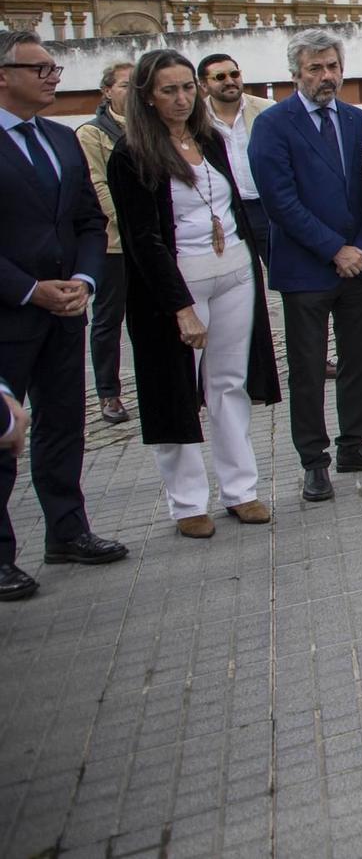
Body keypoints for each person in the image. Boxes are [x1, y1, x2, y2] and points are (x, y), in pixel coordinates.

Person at [107, 50, 281, 538]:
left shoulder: (207, 138)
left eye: (187, 87)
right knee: (175, 389)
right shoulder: (132, 154)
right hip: (176, 283)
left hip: (233, 272)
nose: (182, 98)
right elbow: (143, 238)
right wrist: (180, 307)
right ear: (147, 96)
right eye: (169, 90)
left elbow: (233, 206)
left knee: (228, 383)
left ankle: (240, 489)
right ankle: (186, 502)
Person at [0, 30, 127, 600]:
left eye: (55, 67)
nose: (54, 76)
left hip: (66, 307)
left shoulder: (59, 137)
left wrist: (82, 279)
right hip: (10, 310)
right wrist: (30, 290)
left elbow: (87, 220)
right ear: (4, 75)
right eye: (42, 68)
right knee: (4, 430)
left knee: (63, 422)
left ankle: (67, 529)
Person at [249, 30, 362, 504]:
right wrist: (334, 249)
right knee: (309, 368)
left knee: (361, 359)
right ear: (296, 73)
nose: (326, 76)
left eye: (333, 66)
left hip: (360, 265)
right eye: (315, 68)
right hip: (307, 269)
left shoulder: (360, 121)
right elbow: (280, 201)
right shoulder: (274, 125)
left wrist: (358, 247)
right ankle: (313, 461)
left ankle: (353, 444)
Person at [77, 61, 133, 423]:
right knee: (109, 320)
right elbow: (98, 186)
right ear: (108, 91)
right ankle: (109, 393)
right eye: (126, 85)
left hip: (156, 242)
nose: (133, 91)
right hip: (117, 243)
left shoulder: (153, 126)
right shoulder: (93, 133)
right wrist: (133, 225)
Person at [198, 53, 275, 261]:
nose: (230, 81)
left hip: (265, 207)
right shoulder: (195, 119)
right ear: (204, 85)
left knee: (282, 272)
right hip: (224, 211)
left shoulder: (267, 110)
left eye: (234, 74)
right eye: (220, 77)